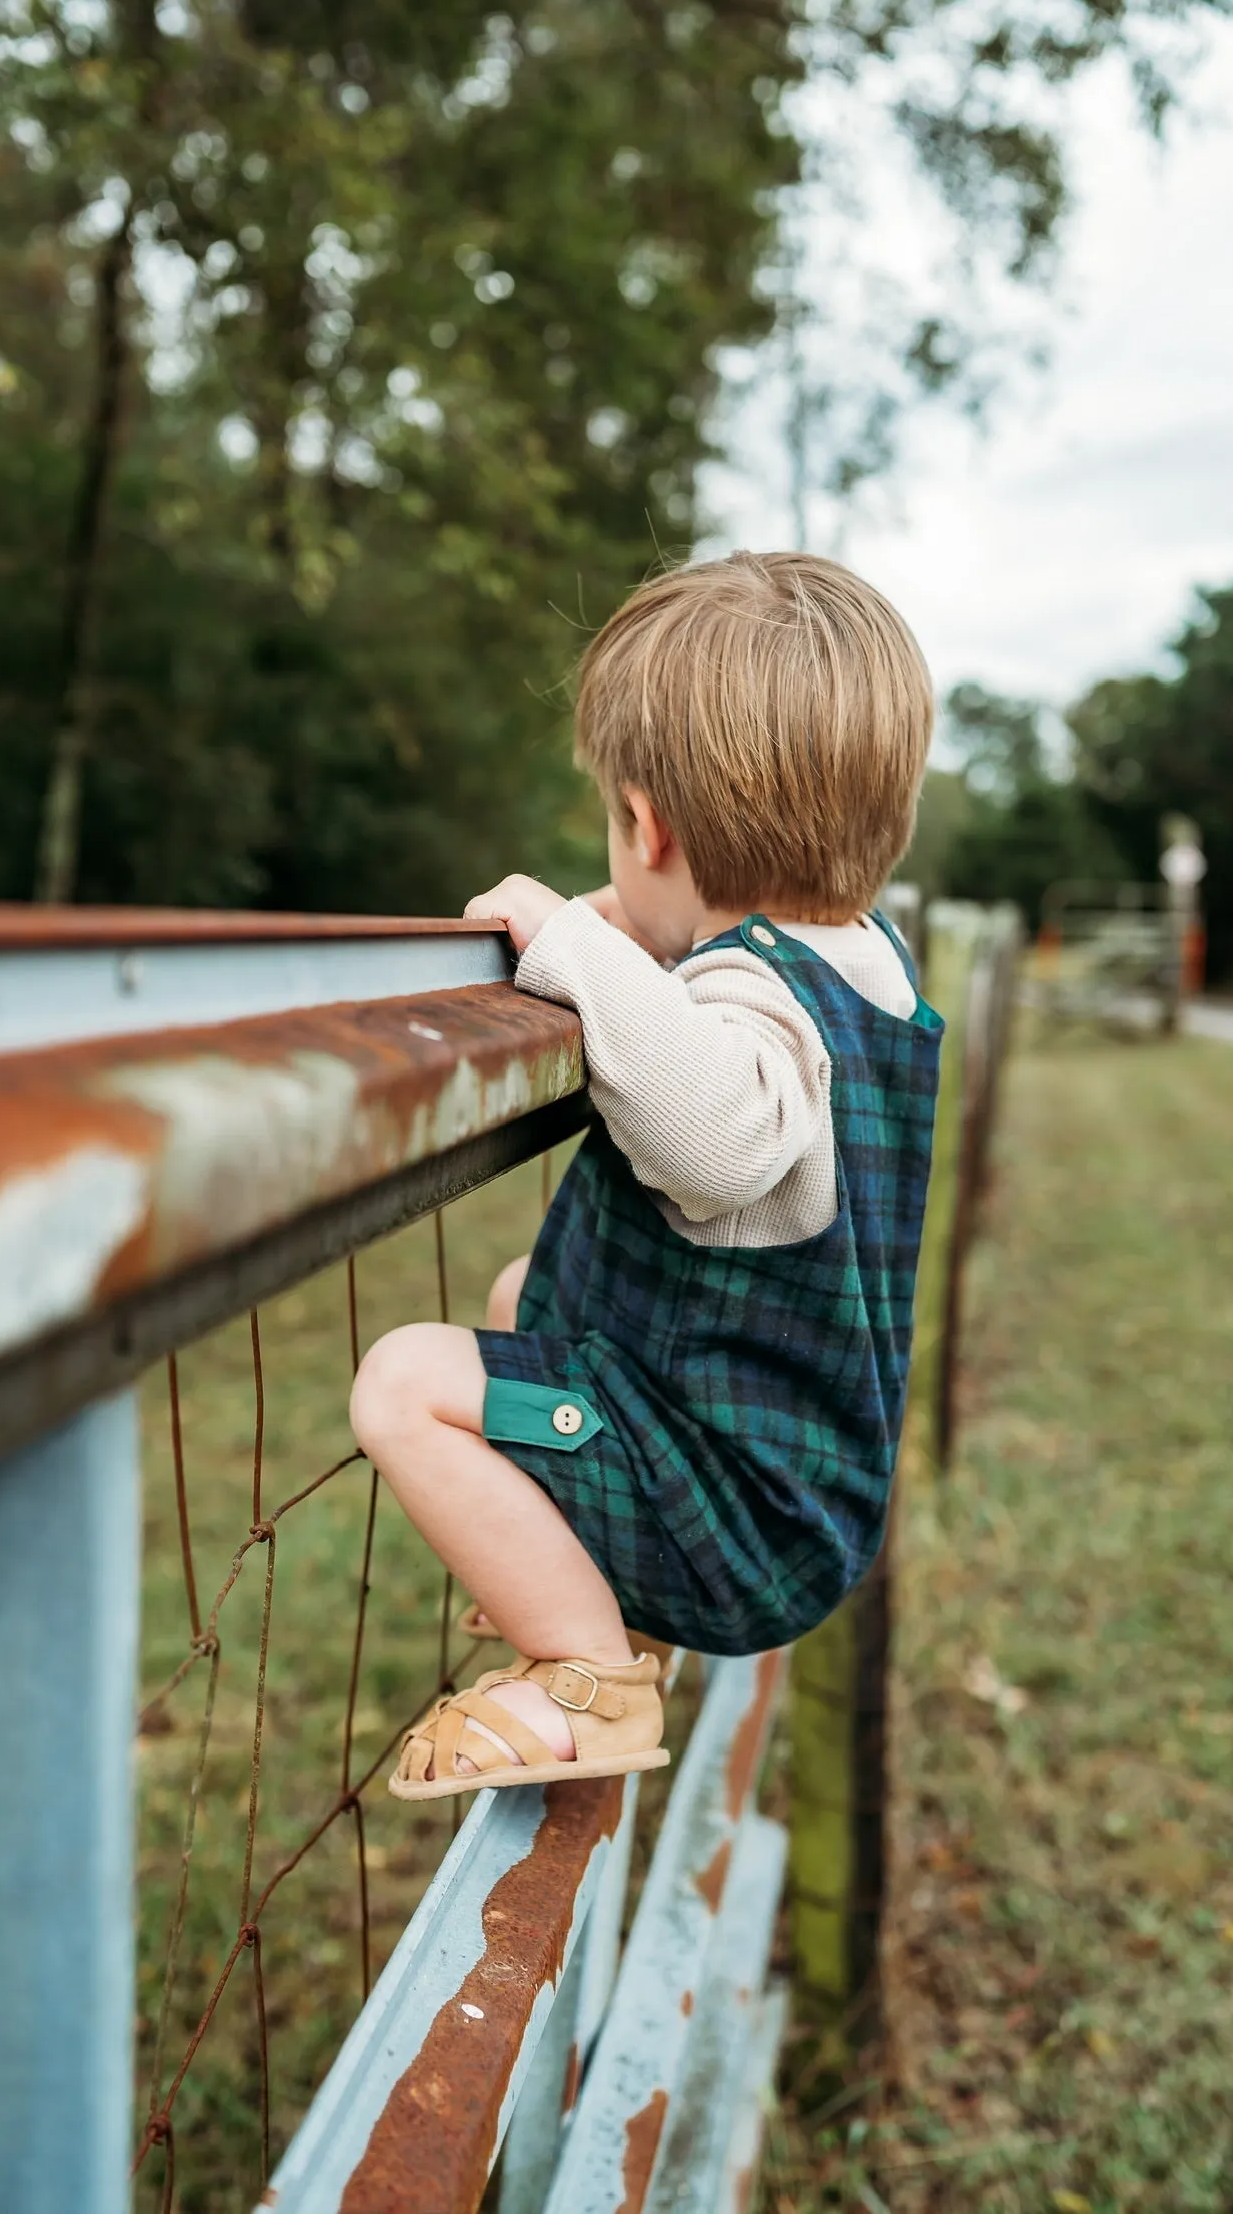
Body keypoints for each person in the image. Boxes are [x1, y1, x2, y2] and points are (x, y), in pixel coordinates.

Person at [350, 550, 942, 1802]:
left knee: (405, 1381)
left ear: (646, 823)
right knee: (527, 1288)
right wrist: (634, 948)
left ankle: (586, 1671)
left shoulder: (751, 996)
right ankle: (570, 1575)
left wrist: (567, 937)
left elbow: (721, 1136)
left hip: (734, 1521)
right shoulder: (867, 966)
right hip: (768, 1480)